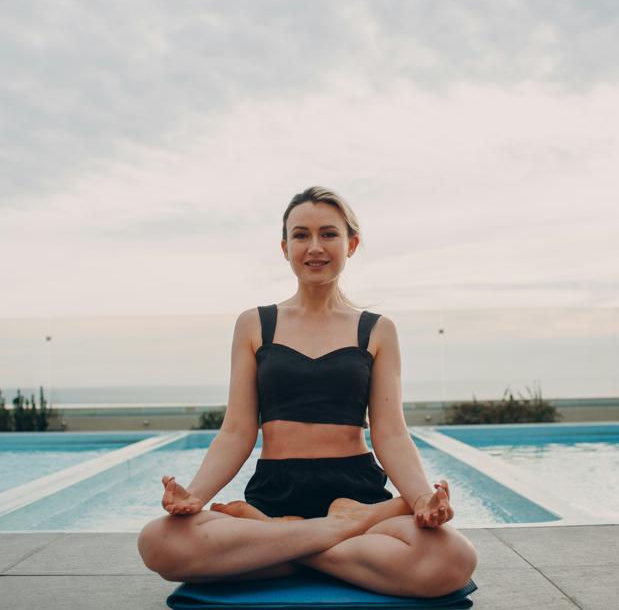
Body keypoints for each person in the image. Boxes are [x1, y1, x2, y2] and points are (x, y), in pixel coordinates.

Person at [137, 186, 478, 598]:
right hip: (276, 491)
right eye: (301, 235)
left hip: (358, 493)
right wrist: (195, 495)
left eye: (328, 234)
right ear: (285, 247)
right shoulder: (254, 324)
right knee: (158, 543)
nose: (314, 247)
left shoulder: (377, 329)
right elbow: (236, 430)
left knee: (453, 559)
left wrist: (421, 496)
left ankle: (278, 543)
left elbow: (390, 433)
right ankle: (338, 532)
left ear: (351, 244)